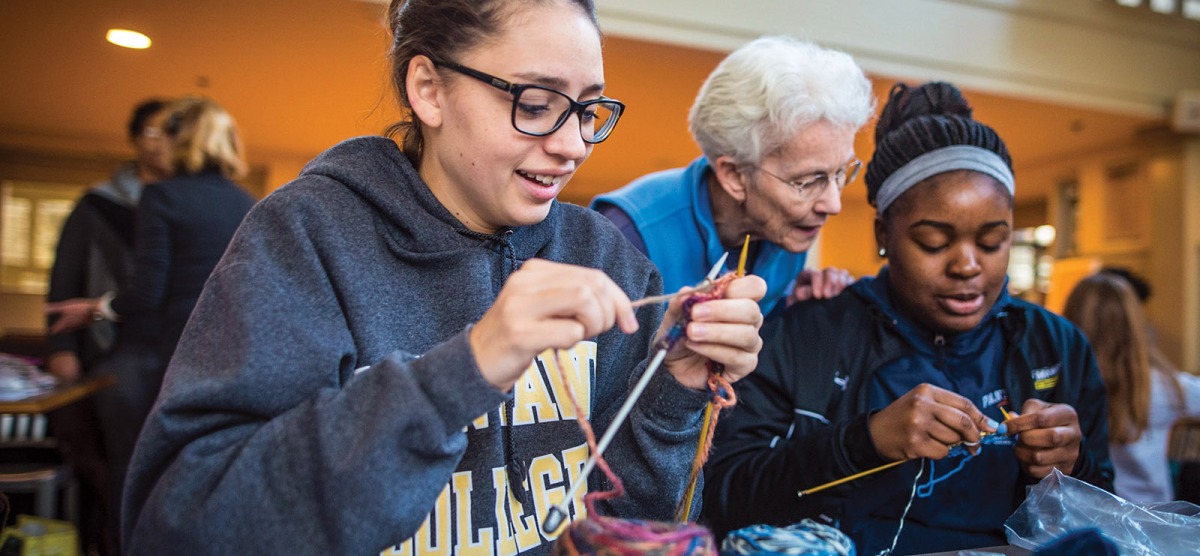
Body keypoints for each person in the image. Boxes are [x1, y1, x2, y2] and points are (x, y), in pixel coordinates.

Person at [116, 0, 766, 554]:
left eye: (588, 109)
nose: (573, 145)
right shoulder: (308, 235)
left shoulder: (602, 254)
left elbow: (636, 523)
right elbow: (180, 525)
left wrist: (676, 388)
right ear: (427, 88)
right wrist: (461, 373)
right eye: (537, 104)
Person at [704, 82, 1113, 555]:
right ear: (885, 235)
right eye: (934, 242)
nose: (967, 266)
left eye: (992, 241)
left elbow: (1105, 508)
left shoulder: (1055, 345)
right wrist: (866, 442)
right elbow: (724, 497)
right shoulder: (806, 336)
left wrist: (1071, 465)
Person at [44, 95, 256, 552]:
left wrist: (96, 308)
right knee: (196, 475)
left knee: (129, 471)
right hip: (218, 361)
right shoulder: (247, 203)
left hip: (151, 359)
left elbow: (146, 295)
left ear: (185, 140)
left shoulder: (162, 196)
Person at [591, 36, 874, 317]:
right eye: (809, 181)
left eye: (839, 173)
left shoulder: (787, 231)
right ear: (734, 175)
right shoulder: (627, 234)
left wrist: (792, 306)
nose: (833, 205)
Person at [44, 97, 171, 556]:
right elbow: (64, 278)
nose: (161, 143)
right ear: (135, 140)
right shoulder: (98, 205)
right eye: (151, 132)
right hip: (111, 349)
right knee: (118, 460)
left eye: (170, 132)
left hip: (170, 349)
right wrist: (62, 348)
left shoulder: (185, 205)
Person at [1062, 272, 1200, 504]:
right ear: (1136, 324)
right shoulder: (1164, 386)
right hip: (1152, 515)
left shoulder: (1063, 384)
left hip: (1084, 512)